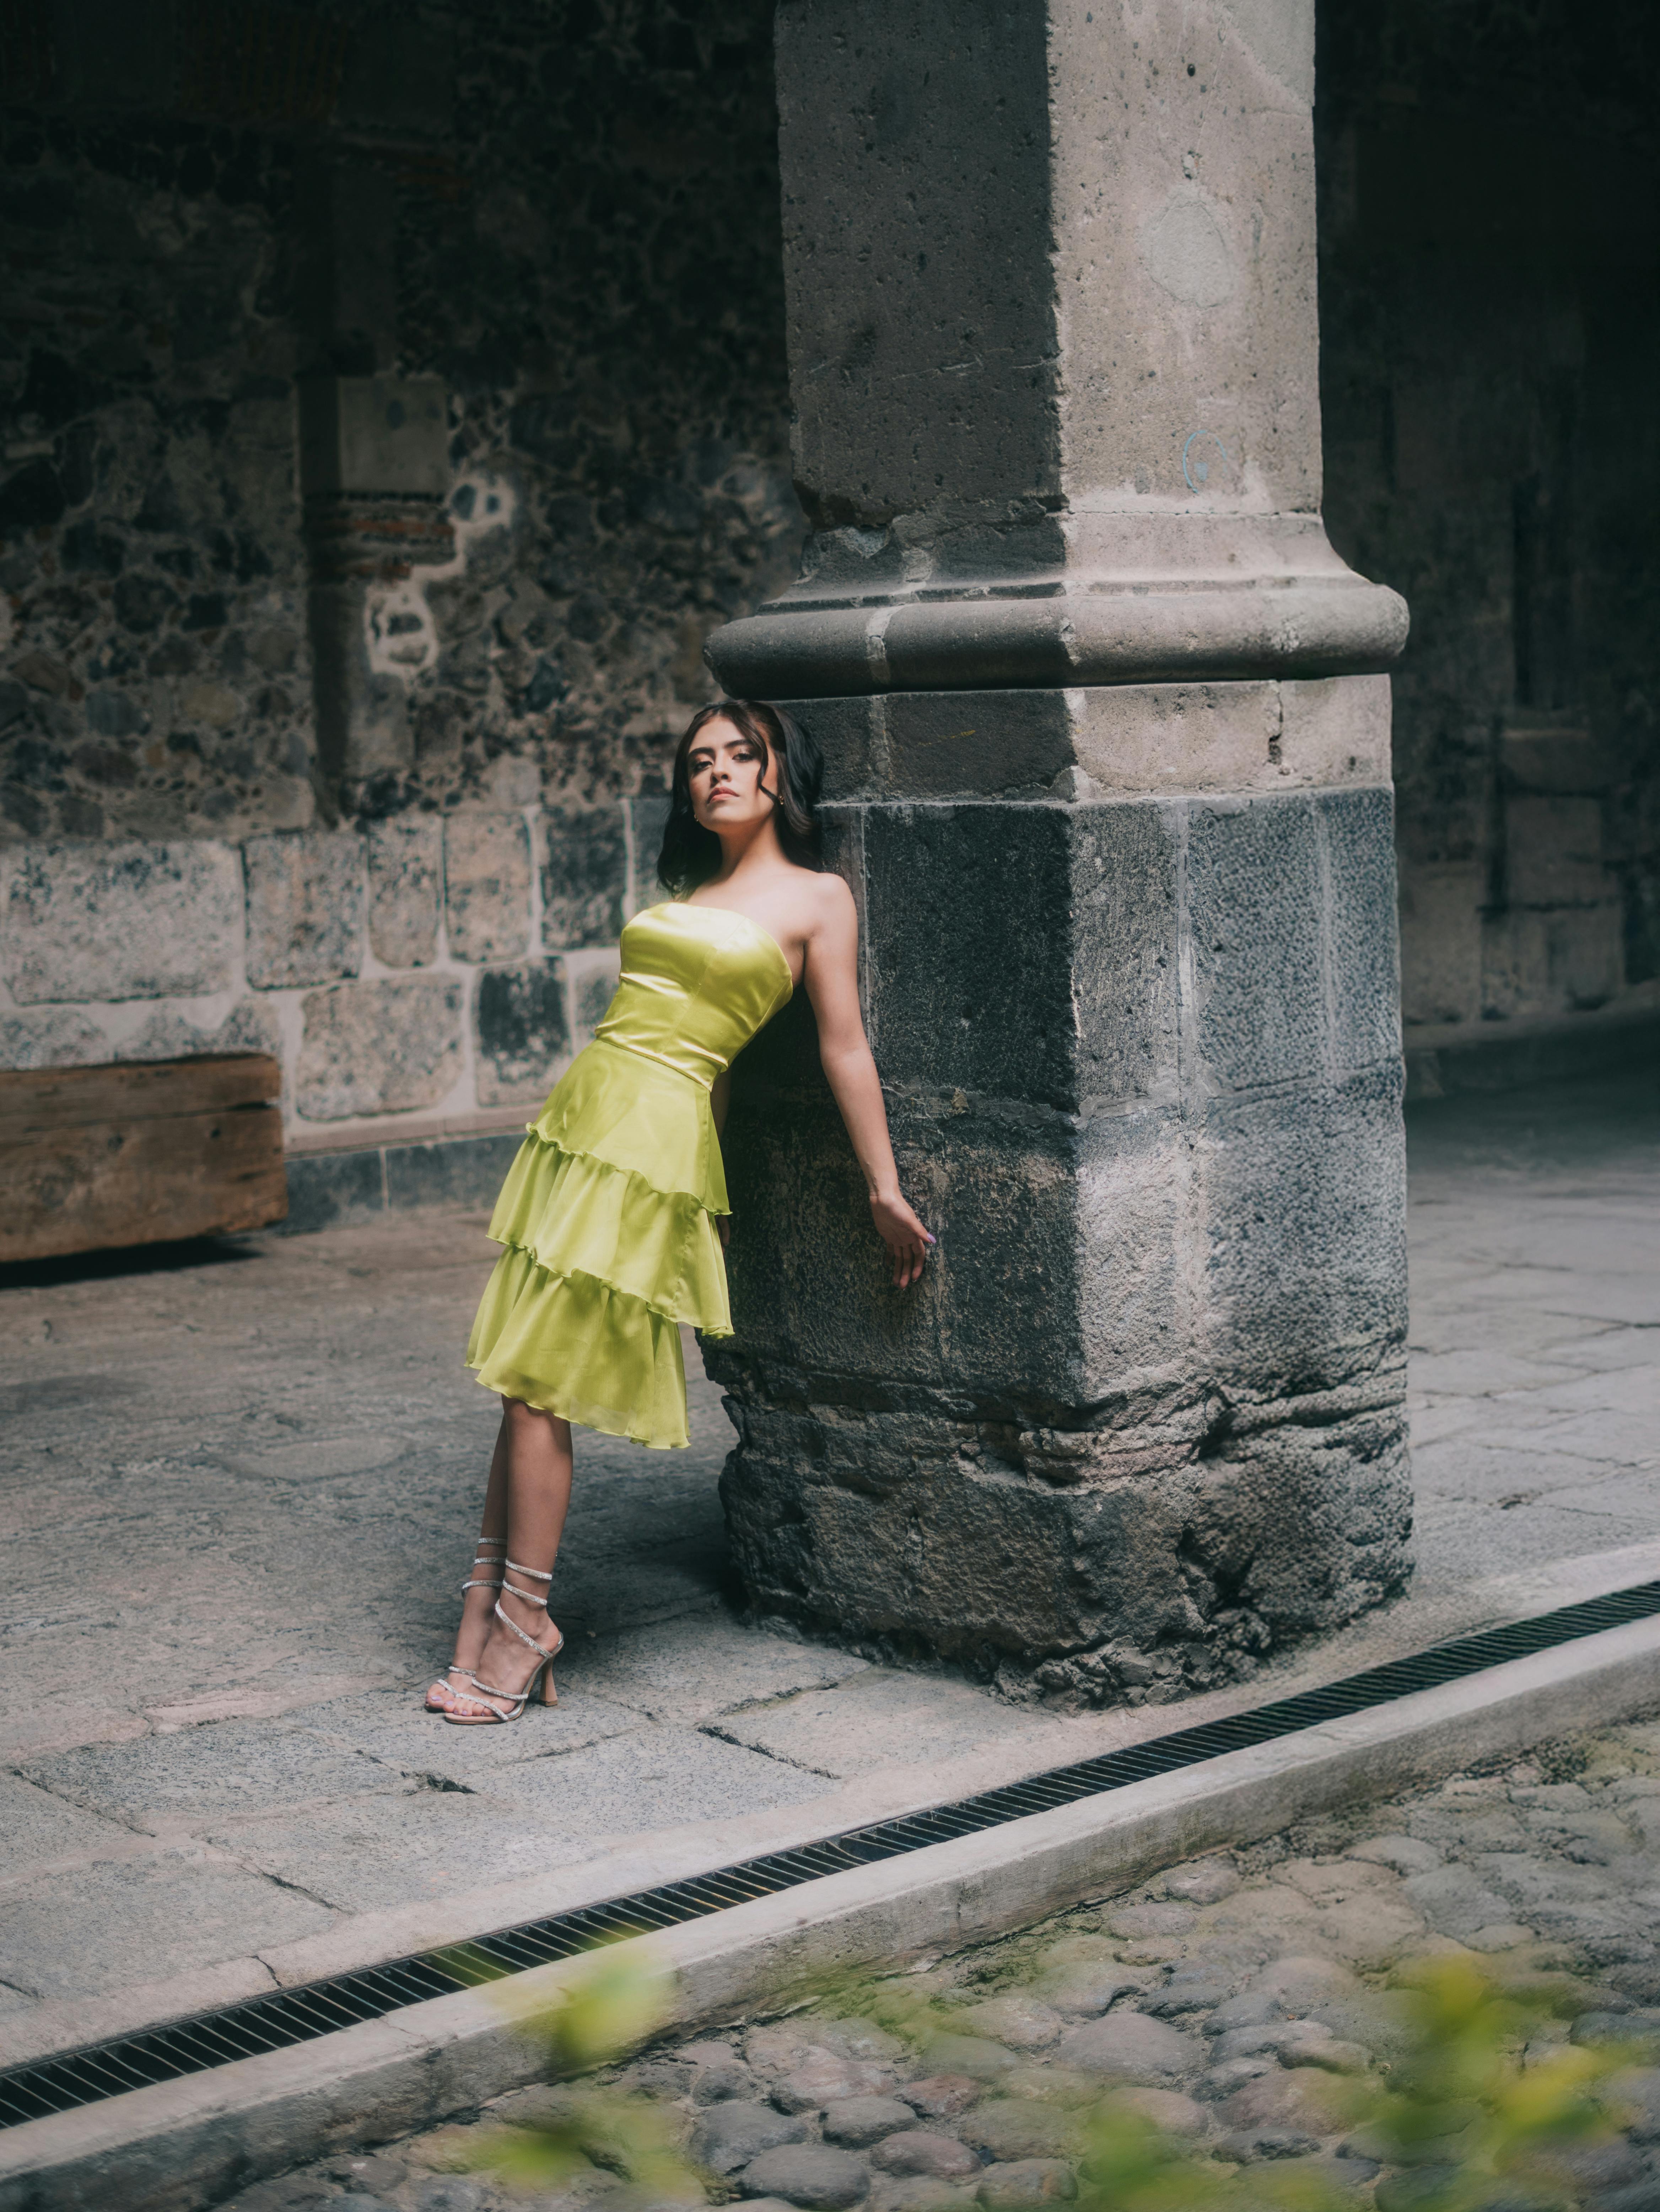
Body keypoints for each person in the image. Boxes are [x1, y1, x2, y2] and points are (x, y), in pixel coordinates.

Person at [427, 699, 935, 1723]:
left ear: (781, 772)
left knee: (539, 1387)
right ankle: (487, 1611)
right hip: (587, 1118)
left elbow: (841, 1046)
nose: (718, 773)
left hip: (653, 1143)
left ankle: (526, 1621)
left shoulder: (818, 900)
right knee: (523, 1378)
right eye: (699, 762)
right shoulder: (688, 891)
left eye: (742, 755)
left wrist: (881, 1185)